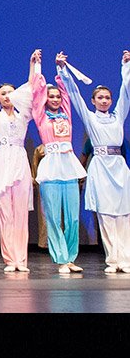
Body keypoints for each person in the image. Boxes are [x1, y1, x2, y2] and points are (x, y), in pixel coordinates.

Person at [58, 50, 130, 273]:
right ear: (93, 100)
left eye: (107, 97)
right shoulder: (90, 117)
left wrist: (126, 66)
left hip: (118, 167)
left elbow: (126, 92)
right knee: (106, 215)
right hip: (100, 166)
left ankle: (126, 259)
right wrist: (62, 69)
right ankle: (112, 259)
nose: (105, 100)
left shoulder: (117, 115)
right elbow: (74, 95)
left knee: (124, 214)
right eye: (100, 97)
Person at [0, 49, 36, 272]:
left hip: (19, 161)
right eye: (3, 93)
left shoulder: (24, 114)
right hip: (1, 161)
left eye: (11, 93)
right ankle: (10, 259)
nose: (8, 96)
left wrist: (33, 65)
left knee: (20, 213)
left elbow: (31, 87)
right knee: (5, 213)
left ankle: (21, 259)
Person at [31, 50, 88, 273]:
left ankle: (71, 258)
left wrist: (59, 68)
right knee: (53, 216)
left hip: (68, 165)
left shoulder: (66, 113)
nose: (54, 99)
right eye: (50, 96)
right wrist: (37, 66)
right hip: (51, 167)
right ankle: (61, 258)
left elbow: (66, 91)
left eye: (56, 97)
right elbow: (36, 94)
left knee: (73, 216)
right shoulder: (41, 116)